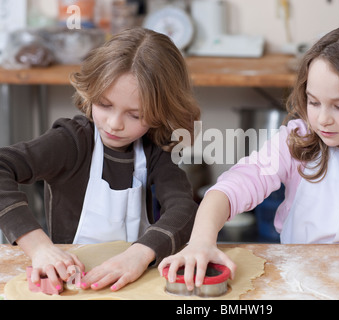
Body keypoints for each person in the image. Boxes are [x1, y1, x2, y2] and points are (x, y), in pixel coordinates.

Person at [159, 25, 339, 291]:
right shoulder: (297, 141)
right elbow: (235, 186)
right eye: (313, 102)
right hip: (297, 278)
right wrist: (200, 241)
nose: (322, 119)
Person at [0, 28, 200, 292]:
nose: (114, 124)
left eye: (135, 115)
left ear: (161, 113)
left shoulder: (153, 151)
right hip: (72, 282)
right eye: (105, 105)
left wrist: (139, 255)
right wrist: (40, 248)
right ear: (90, 91)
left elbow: (184, 208)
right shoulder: (71, 142)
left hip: (133, 281)